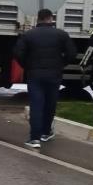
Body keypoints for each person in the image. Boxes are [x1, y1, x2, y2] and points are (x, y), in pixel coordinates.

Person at [14, 8, 77, 148]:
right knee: (50, 104)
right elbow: (72, 53)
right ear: (51, 18)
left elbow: (18, 53)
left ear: (38, 18)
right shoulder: (61, 35)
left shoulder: (28, 35)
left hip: (35, 74)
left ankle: (34, 138)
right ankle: (46, 132)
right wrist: (61, 64)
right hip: (54, 74)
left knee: (36, 105)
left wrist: (27, 65)